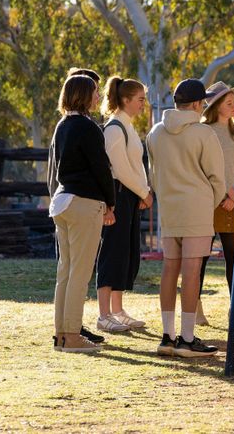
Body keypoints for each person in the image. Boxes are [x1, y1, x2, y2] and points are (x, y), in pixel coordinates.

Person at [147, 78, 226, 358]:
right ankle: (188, 338)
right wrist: (208, 203)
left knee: (170, 269)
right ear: (195, 104)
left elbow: (153, 175)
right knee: (192, 272)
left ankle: (167, 336)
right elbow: (218, 178)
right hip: (197, 209)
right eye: (202, 102)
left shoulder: (155, 133)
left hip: (169, 208)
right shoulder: (204, 133)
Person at [47, 74, 116, 353]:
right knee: (80, 273)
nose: (98, 96)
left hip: (62, 201)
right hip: (84, 203)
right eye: (95, 91)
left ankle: (61, 334)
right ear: (83, 95)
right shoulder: (88, 127)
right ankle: (73, 334)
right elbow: (102, 168)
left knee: (65, 272)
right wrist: (111, 202)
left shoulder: (62, 125)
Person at [95, 76, 153, 333]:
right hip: (118, 196)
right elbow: (119, 169)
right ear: (126, 99)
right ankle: (103, 314)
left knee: (125, 253)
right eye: (140, 99)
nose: (143, 104)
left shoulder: (127, 126)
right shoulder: (114, 129)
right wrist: (144, 192)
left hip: (130, 197)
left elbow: (136, 166)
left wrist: (142, 192)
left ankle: (117, 310)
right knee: (112, 252)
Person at [197, 81, 234, 326]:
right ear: (216, 106)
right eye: (229, 103)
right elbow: (205, 167)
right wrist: (226, 193)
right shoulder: (204, 132)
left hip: (233, 204)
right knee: (201, 257)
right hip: (209, 203)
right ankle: (195, 309)